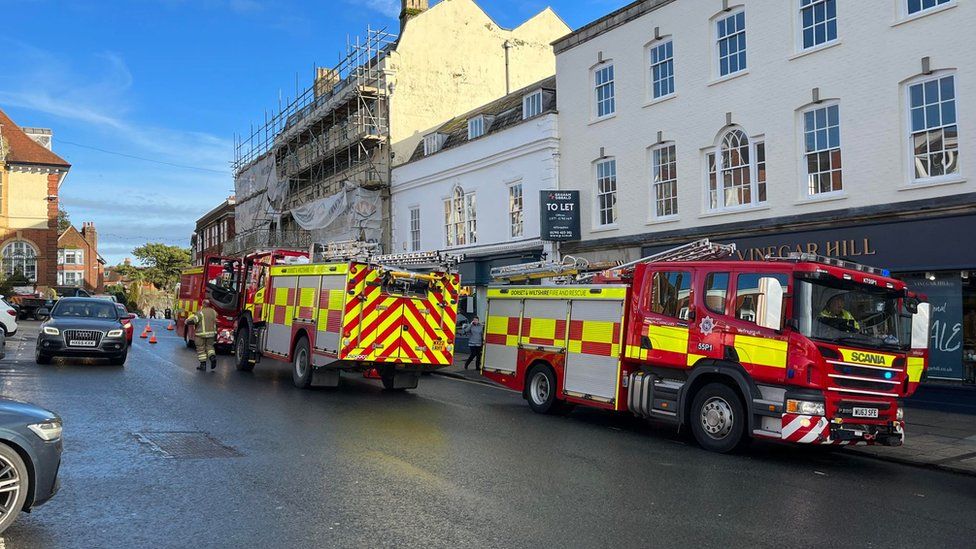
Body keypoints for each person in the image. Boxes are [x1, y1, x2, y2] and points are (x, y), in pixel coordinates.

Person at [186, 299, 218, 371]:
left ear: (203, 304)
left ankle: (203, 365)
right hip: (211, 334)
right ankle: (212, 357)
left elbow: (194, 320)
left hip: (201, 334)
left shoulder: (200, 312)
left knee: (201, 349)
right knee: (210, 347)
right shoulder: (214, 312)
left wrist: (187, 321)